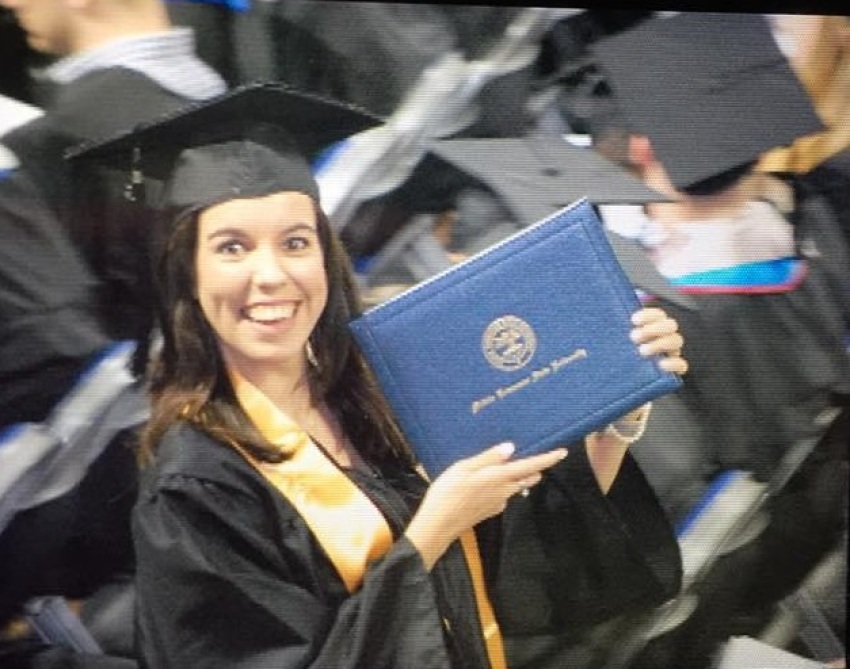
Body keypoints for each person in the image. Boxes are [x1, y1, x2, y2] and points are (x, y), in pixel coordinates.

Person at [74, 81, 689, 669]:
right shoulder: (195, 489)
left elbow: (518, 571)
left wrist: (613, 419)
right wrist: (433, 532)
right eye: (232, 247)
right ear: (186, 274)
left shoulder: (375, 388)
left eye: (295, 242)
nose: (271, 276)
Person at [585, 12, 850, 667]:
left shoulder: (654, 327)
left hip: (634, 551)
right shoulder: (823, 244)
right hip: (755, 524)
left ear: (643, 148)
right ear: (759, 149)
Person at [0, 0, 225, 664]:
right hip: (182, 455)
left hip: (114, 496)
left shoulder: (63, 135)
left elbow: (62, 351)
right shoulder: (215, 94)